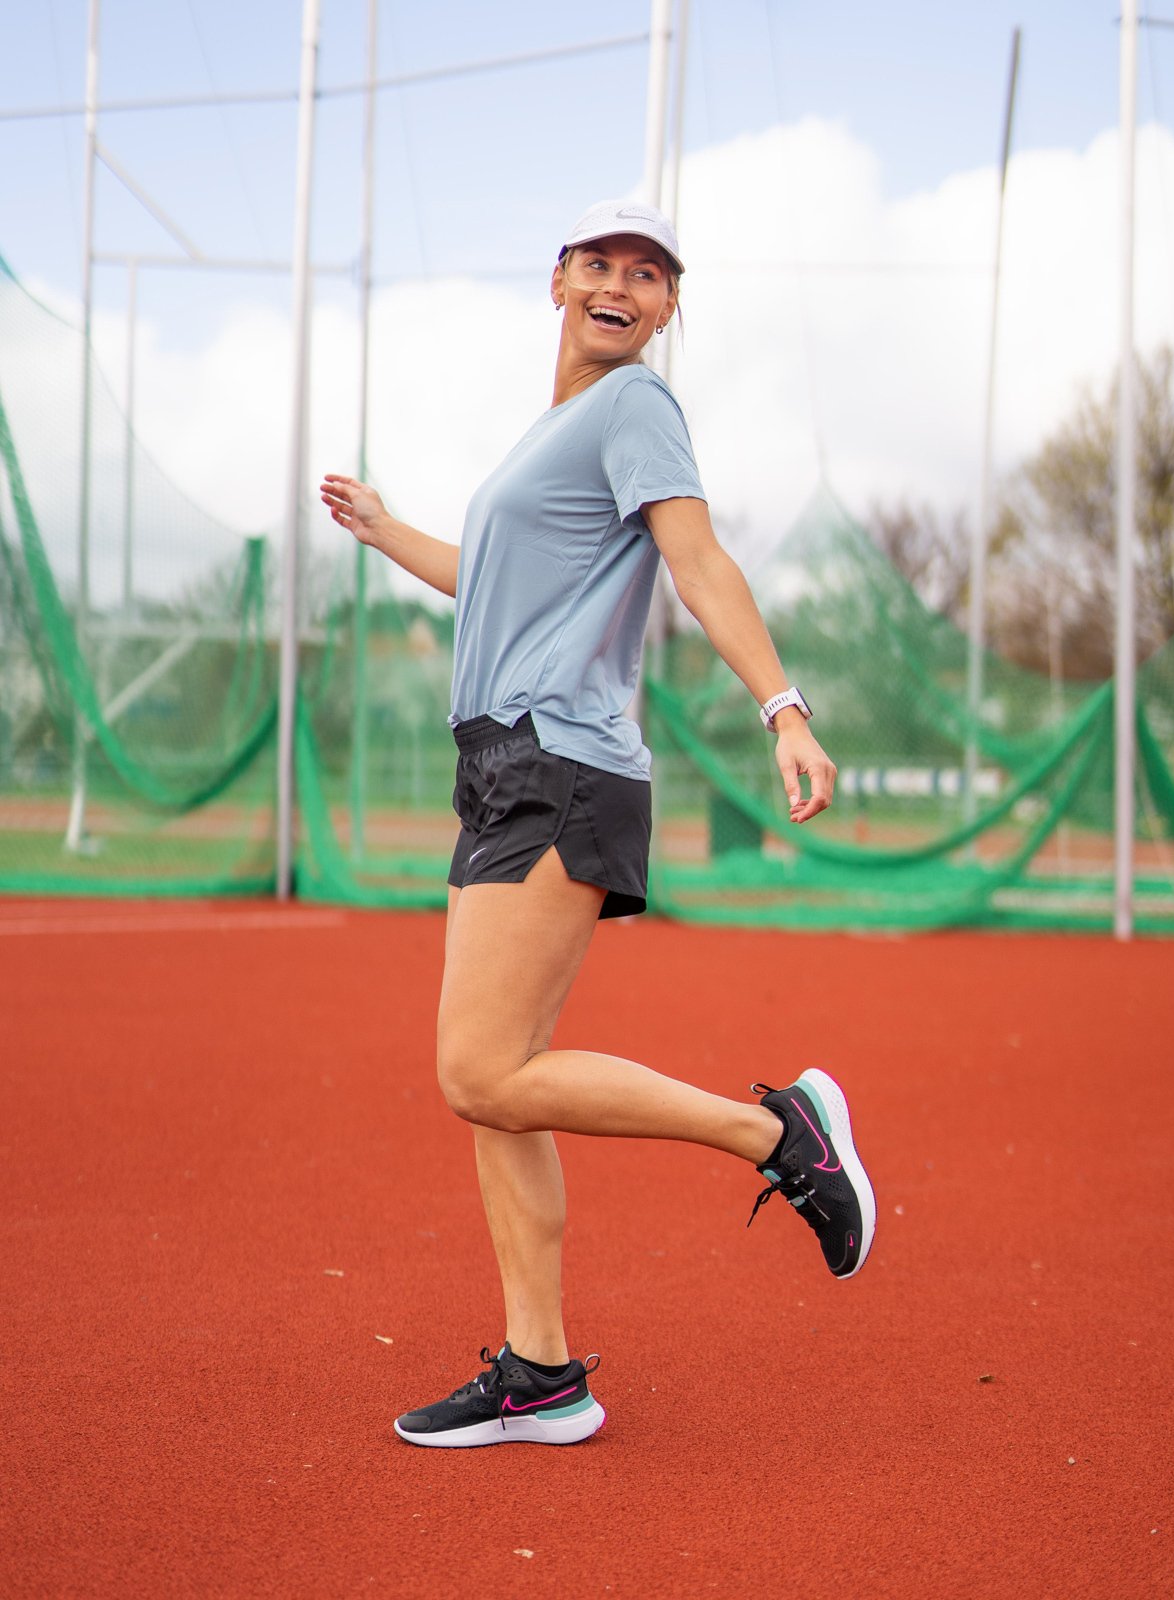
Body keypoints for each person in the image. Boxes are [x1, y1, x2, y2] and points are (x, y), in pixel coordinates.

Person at [320, 199, 875, 1450]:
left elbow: (699, 559)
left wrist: (782, 706)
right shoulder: (559, 432)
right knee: (494, 1087)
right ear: (560, 279)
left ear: (668, 309)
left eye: (651, 274)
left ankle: (780, 1134)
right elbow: (493, 586)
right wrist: (381, 529)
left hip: (557, 762)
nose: (623, 283)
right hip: (505, 762)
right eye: (603, 263)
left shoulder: (634, 407)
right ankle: (542, 1371)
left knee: (479, 1066)